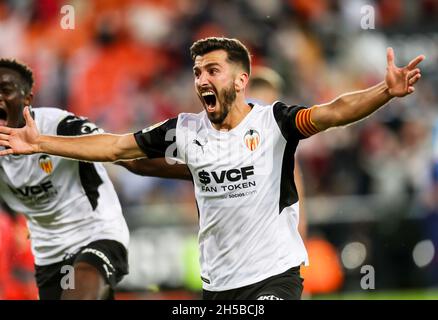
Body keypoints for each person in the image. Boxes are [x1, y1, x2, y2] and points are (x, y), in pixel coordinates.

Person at [0, 37, 424, 300]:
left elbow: (334, 112)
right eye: (197, 71)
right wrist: (39, 142)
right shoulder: (183, 131)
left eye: (213, 70)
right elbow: (115, 147)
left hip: (274, 275)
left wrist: (384, 92)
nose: (201, 79)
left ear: (240, 81)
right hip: (218, 282)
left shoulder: (274, 122)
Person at [0, 58, 131, 300]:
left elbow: (117, 149)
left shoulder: (58, 124)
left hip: (97, 232)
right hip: (48, 253)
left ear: (27, 98)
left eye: (5, 90)